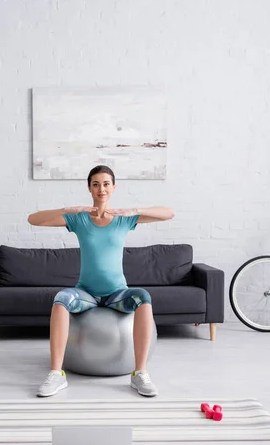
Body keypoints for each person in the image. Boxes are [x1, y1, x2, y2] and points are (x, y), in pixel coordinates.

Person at [27, 165, 174, 398]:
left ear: (113, 187)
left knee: (144, 298)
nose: (101, 189)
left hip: (117, 293)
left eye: (106, 184)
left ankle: (140, 373)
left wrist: (132, 210)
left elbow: (168, 213)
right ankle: (56, 374)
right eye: (95, 184)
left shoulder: (124, 220)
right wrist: (68, 209)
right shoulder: (79, 220)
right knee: (60, 300)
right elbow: (33, 219)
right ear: (89, 188)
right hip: (86, 293)